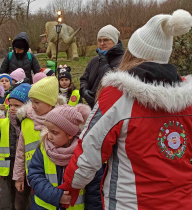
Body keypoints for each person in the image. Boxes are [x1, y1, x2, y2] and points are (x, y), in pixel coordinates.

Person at [58, 9, 192, 209]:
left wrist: (71, 185)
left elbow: (90, 150)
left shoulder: (118, 95)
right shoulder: (187, 98)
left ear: (134, 52)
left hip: (129, 202)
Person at [27, 104, 91, 209]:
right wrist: (56, 196)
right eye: (48, 130)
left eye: (54, 132)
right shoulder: (43, 148)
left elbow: (94, 189)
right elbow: (34, 176)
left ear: (70, 134)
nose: (48, 136)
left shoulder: (85, 154)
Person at [13, 77, 66, 196]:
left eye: (37, 102)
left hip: (58, 180)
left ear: (50, 102)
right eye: (31, 101)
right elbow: (20, 151)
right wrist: (19, 177)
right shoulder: (26, 121)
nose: (33, 106)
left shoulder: (63, 121)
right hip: (34, 179)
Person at [0, 83, 32, 210]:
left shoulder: (30, 124)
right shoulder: (4, 124)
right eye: (10, 105)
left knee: (22, 199)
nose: (12, 108)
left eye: (17, 105)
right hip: (9, 168)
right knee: (11, 196)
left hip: (25, 170)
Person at [80, 25, 124, 108]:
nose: (102, 43)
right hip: (93, 107)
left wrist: (104, 63)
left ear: (115, 41)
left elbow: (113, 83)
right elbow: (84, 78)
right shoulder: (95, 60)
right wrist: (84, 90)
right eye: (99, 40)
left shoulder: (123, 61)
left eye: (106, 40)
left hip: (112, 108)